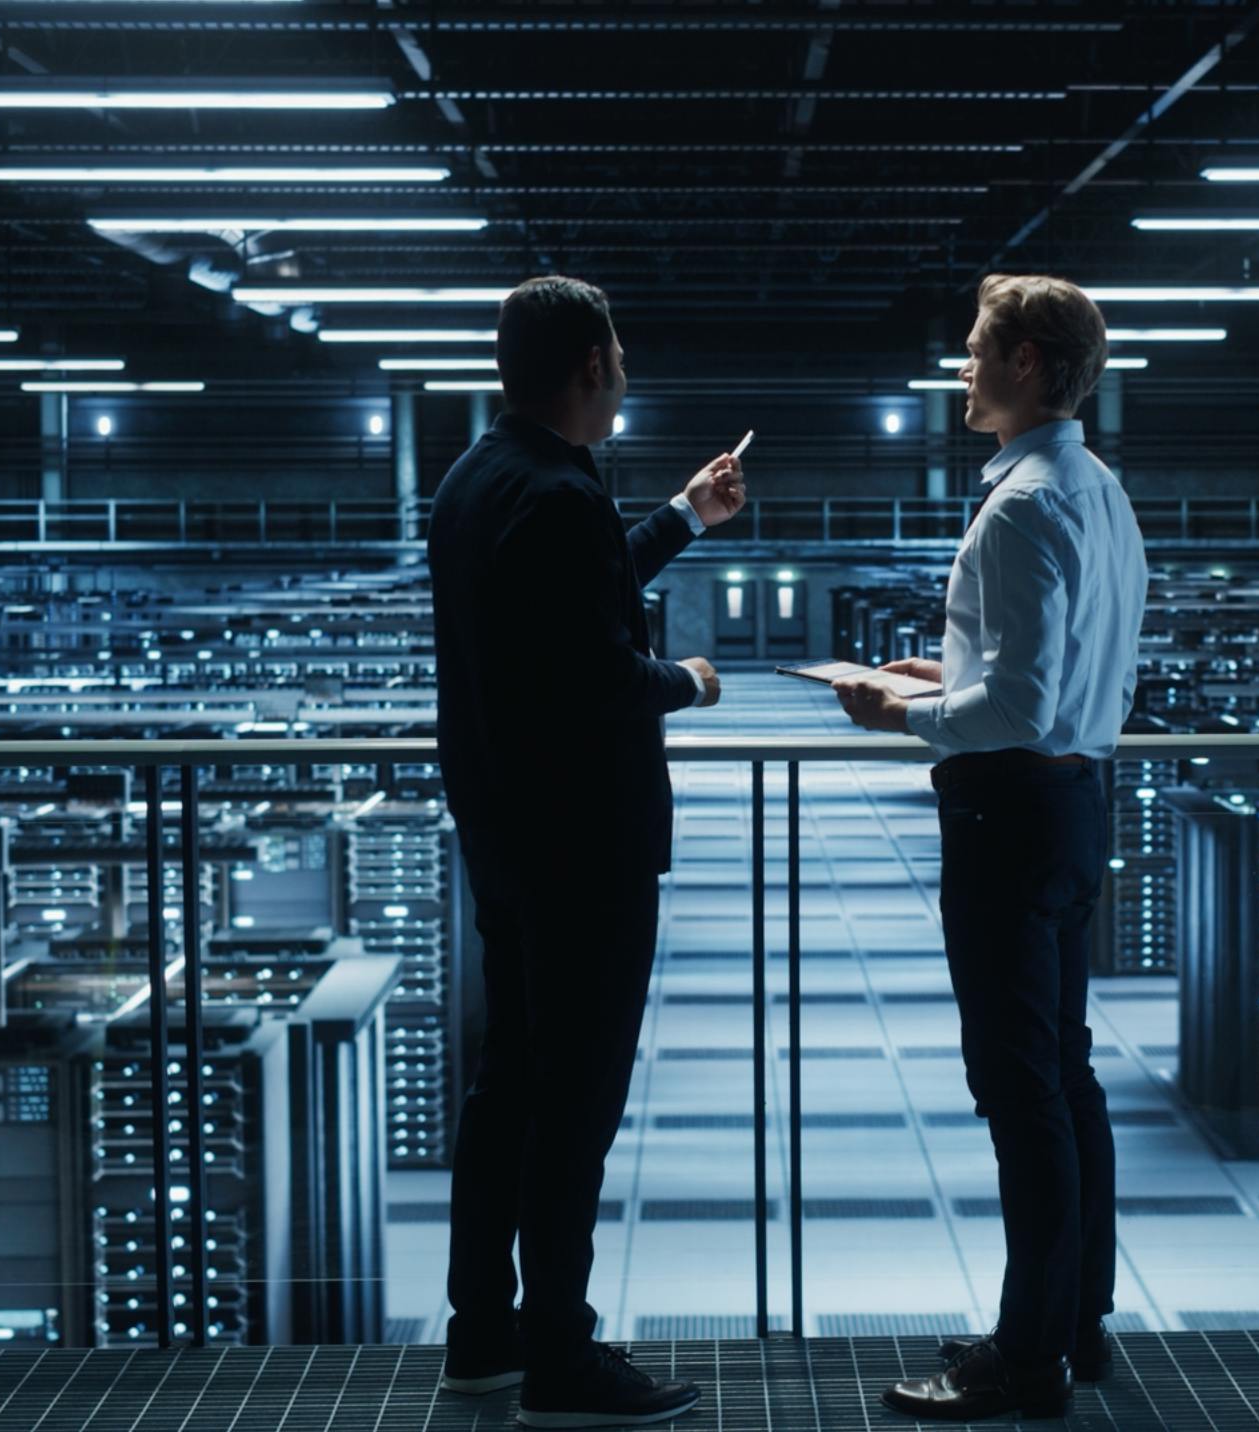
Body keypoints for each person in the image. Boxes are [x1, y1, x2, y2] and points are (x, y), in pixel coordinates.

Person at [429, 274, 741, 1428]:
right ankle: (561, 1354)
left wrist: (680, 517)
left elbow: (562, 604)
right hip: (583, 855)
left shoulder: (481, 478)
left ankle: (481, 1337)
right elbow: (593, 677)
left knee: (506, 1093)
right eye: (617, 356)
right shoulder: (556, 496)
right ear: (590, 367)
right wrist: (690, 683)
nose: (625, 376)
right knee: (574, 1112)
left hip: (506, 845)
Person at [834, 273, 1147, 1422]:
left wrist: (899, 712)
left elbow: (1014, 704)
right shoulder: (1096, 487)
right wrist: (944, 674)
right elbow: (1070, 678)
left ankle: (1023, 1360)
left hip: (1007, 813)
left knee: (1018, 1092)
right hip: (1076, 804)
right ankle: (1073, 1327)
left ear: (1024, 362)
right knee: (1065, 1076)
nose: (961, 366)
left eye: (975, 348)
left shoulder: (1020, 504)